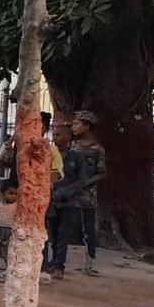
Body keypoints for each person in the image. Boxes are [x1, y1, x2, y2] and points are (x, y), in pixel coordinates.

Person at [45, 125, 89, 279]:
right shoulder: (49, 155)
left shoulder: (76, 157)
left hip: (69, 202)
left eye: (58, 135)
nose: (55, 138)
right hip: (51, 200)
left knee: (63, 235)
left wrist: (64, 192)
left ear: (67, 138)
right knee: (53, 234)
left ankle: (59, 266)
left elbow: (81, 180)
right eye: (54, 134)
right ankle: (54, 261)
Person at [69, 111, 106, 277]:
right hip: (68, 192)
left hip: (87, 194)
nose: (73, 127)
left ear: (87, 125)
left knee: (88, 228)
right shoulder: (72, 146)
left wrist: (84, 183)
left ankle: (89, 262)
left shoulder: (97, 148)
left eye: (77, 124)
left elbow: (102, 172)